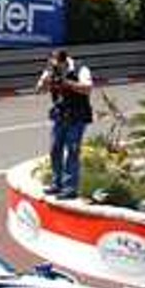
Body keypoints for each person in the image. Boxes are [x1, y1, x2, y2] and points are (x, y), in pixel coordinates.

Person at [37, 51, 93, 199]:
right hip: (60, 114)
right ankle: (57, 183)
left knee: (72, 150)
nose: (56, 68)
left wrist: (67, 82)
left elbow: (88, 88)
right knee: (55, 149)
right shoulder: (51, 70)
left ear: (65, 62)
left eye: (58, 66)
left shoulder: (81, 69)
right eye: (53, 65)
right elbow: (39, 90)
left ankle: (70, 188)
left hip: (77, 115)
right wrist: (46, 81)